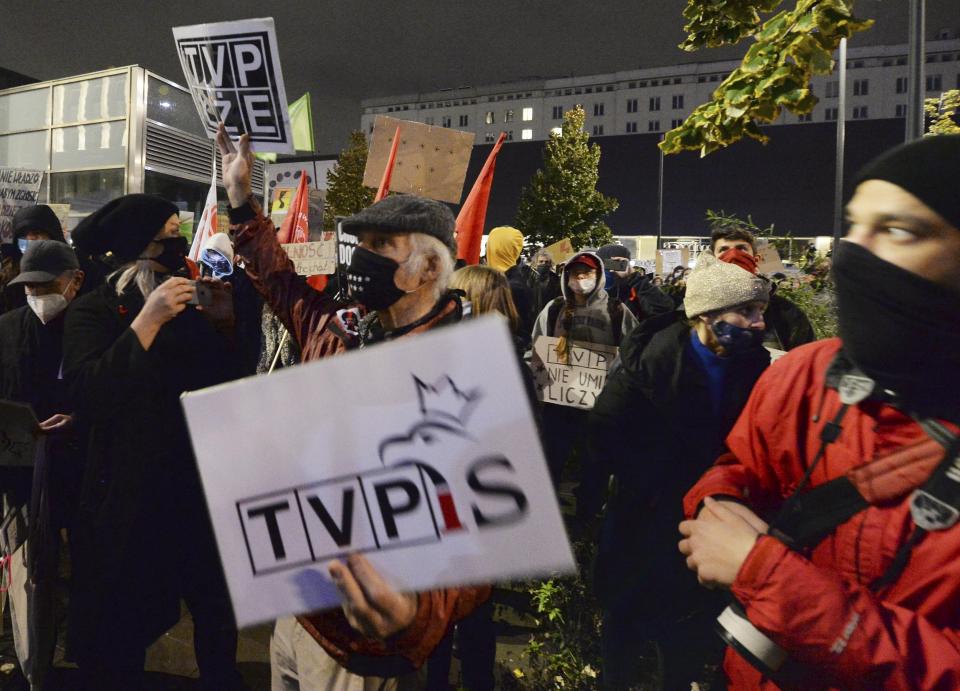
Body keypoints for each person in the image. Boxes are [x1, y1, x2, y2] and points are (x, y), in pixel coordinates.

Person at [679, 135, 960, 689]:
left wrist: (763, 574)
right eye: (853, 227)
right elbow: (738, 463)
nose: (854, 253)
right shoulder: (806, 373)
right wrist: (718, 502)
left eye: (899, 230)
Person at [216, 126, 488, 690]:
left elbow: (478, 540)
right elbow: (279, 282)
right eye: (360, 242)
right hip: (297, 606)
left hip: (365, 640)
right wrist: (239, 201)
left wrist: (412, 617)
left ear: (430, 269)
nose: (360, 257)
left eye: (380, 246)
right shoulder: (341, 331)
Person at [63, 193, 242, 690]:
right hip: (132, 495)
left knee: (215, 612)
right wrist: (148, 321)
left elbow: (223, 386)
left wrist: (227, 326)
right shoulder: (95, 311)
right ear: (137, 245)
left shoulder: (190, 305)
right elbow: (88, 392)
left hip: (197, 489)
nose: (176, 241)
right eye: (166, 232)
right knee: (126, 626)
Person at [589, 251, 770, 690]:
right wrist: (647, 484)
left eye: (760, 311)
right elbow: (604, 433)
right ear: (707, 317)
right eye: (745, 312)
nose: (758, 323)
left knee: (685, 638)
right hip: (643, 517)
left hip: (708, 525)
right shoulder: (647, 364)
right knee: (625, 627)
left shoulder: (757, 367)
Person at [0, 240, 86, 686]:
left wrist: (78, 419)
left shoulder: (91, 329)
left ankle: (85, 652)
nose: (35, 295)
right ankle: (37, 667)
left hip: (83, 475)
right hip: (21, 480)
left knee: (86, 573)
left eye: (44, 285)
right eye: (27, 287)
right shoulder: (8, 330)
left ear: (74, 282)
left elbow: (112, 394)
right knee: (32, 578)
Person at [531, 251, 638, 519]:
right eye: (575, 273)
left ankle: (587, 517)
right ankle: (546, 515)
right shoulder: (554, 309)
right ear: (567, 277)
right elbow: (536, 348)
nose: (580, 278)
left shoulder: (616, 311)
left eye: (586, 273)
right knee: (551, 459)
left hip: (598, 404)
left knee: (595, 463)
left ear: (598, 276)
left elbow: (631, 351)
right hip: (558, 402)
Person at [710, 226, 815, 350]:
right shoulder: (693, 310)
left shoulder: (786, 313)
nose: (733, 254)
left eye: (741, 249)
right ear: (712, 261)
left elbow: (806, 359)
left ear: (756, 259)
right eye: (723, 249)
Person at [1, 205, 66, 315]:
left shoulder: (74, 268)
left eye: (36, 233)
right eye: (23, 235)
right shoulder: (9, 275)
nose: (30, 239)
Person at [595, 243, 674, 323]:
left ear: (626, 265)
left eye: (614, 264)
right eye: (601, 265)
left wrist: (634, 277)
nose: (608, 271)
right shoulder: (590, 291)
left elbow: (664, 312)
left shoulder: (635, 289)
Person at [485, 226, 536, 350]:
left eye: (489, 245)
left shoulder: (513, 287)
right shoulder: (497, 280)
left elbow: (521, 335)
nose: (486, 250)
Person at [529, 248, 562, 319]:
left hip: (550, 318)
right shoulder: (528, 280)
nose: (544, 264)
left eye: (547, 262)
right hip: (531, 319)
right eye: (541, 261)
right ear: (535, 263)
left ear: (550, 264)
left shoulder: (557, 281)